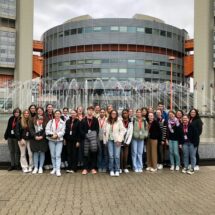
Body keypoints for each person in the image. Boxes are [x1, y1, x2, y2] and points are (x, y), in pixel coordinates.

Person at [103, 110, 126, 177]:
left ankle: (117, 170)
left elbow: (123, 130)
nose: (113, 114)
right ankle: (111, 170)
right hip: (109, 140)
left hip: (117, 141)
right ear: (110, 114)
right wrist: (105, 140)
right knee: (111, 156)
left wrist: (119, 140)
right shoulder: (107, 121)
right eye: (112, 113)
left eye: (115, 113)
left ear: (116, 114)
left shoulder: (119, 121)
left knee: (117, 156)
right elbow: (104, 131)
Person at [80, 106, 99, 175]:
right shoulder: (83, 120)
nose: (90, 111)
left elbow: (97, 130)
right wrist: (86, 136)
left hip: (93, 140)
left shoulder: (95, 120)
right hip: (85, 140)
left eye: (91, 110)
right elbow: (81, 130)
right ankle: (85, 168)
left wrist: (91, 136)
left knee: (93, 153)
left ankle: (92, 168)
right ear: (87, 111)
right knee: (85, 154)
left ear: (93, 111)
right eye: (89, 110)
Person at [46, 110, 65, 177]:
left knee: (58, 155)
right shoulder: (50, 121)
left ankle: (58, 169)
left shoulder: (63, 122)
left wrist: (57, 135)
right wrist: (52, 135)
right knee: (53, 155)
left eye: (58, 114)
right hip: (51, 140)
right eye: (56, 114)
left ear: (60, 114)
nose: (57, 115)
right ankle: (54, 168)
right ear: (54, 115)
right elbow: (47, 130)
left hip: (59, 140)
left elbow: (63, 132)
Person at [121, 109, 133, 173]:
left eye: (126, 113)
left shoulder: (130, 122)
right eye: (123, 113)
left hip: (127, 142)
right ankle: (120, 168)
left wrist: (128, 142)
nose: (125, 114)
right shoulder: (120, 121)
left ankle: (125, 167)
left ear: (128, 114)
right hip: (120, 141)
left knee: (126, 155)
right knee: (120, 155)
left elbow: (131, 133)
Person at [97, 108, 108, 173]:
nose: (102, 113)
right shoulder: (97, 119)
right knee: (99, 153)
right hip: (98, 139)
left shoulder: (107, 120)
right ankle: (100, 166)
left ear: (105, 113)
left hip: (105, 139)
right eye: (101, 112)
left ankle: (105, 166)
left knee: (105, 153)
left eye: (103, 112)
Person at [44, 104, 54, 170]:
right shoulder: (44, 115)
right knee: (46, 150)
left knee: (52, 150)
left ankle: (51, 163)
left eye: (51, 107)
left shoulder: (54, 115)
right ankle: (46, 163)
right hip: (47, 135)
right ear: (47, 108)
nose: (50, 108)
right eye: (48, 107)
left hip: (54, 135)